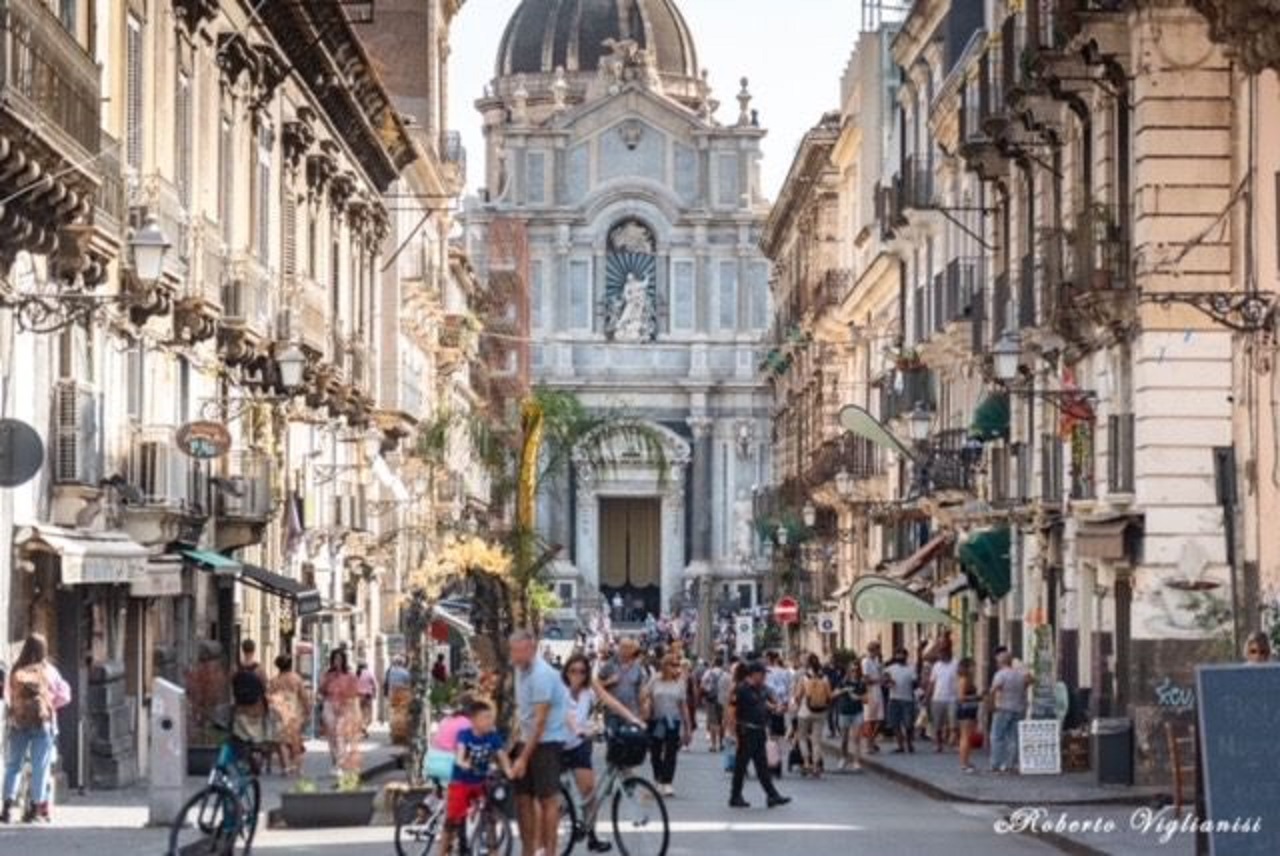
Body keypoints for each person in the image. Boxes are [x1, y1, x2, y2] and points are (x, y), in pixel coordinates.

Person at [562, 653, 639, 853]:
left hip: (579, 744)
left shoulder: (590, 687)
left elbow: (611, 702)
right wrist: (578, 729)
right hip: (558, 744)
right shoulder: (560, 689)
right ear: (566, 672)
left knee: (589, 791)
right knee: (555, 801)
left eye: (582, 671)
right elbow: (567, 715)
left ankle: (592, 836)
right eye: (573, 671)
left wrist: (633, 719)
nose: (577, 675)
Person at [510, 629, 571, 856]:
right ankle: (528, 850)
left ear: (531, 649)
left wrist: (524, 758)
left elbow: (540, 720)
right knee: (523, 798)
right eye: (513, 652)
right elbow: (523, 712)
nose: (514, 657)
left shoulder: (542, 675)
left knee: (547, 800)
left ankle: (550, 852)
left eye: (519, 652)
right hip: (526, 739)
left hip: (547, 742)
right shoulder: (519, 670)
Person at [3, 633, 69, 824]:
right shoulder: (49, 671)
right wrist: (50, 704)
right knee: (41, 766)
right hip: (43, 723)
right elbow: (66, 695)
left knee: (14, 765)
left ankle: (7, 806)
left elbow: (8, 696)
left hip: (18, 722)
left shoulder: (16, 670)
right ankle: (34, 808)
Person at [436, 699, 512, 856]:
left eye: (491, 717)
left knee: (490, 816)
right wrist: (462, 762)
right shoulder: (464, 735)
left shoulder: (493, 737)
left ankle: (494, 851)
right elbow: (460, 753)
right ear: (474, 720)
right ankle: (442, 851)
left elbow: (502, 755)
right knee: (452, 820)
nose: (490, 721)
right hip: (461, 781)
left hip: (481, 781)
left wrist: (508, 770)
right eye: (485, 718)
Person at [727, 661, 791, 809]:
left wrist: (777, 709)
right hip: (745, 731)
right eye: (762, 674)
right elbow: (731, 711)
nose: (764, 677)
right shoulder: (740, 689)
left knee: (762, 766)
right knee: (741, 766)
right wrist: (732, 733)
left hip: (759, 731)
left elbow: (764, 705)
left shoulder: (760, 689)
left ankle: (772, 796)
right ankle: (735, 796)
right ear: (754, 674)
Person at [644, 654, 692, 797]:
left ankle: (667, 782)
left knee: (671, 752)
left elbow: (683, 705)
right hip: (657, 720)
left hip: (673, 721)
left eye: (677, 665)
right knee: (655, 752)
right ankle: (658, 779)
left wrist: (687, 726)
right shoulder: (655, 679)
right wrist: (646, 706)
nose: (676, 668)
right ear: (665, 666)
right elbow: (645, 695)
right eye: (673, 665)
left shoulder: (680, 682)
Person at [319, 648, 361, 770]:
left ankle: (340, 762)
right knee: (331, 735)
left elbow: (354, 694)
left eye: (339, 659)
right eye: (335, 659)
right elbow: (321, 690)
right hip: (329, 705)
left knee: (339, 734)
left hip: (345, 706)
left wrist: (353, 711)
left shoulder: (350, 676)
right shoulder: (328, 675)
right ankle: (336, 760)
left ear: (343, 660)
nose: (337, 661)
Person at [988, 650, 1030, 773]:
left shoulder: (1000, 674)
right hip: (1018, 708)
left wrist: (991, 705)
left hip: (1003, 708)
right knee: (1013, 737)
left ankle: (996, 763)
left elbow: (994, 690)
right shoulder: (1019, 674)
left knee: (997, 736)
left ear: (1000, 662)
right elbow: (1026, 685)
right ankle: (1010, 764)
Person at [268, 654, 310, 775]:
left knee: (282, 741)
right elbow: (303, 696)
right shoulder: (296, 679)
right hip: (294, 712)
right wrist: (307, 711)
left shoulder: (275, 681)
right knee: (295, 741)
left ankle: (286, 766)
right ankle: (298, 768)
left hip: (279, 712)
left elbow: (269, 696)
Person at [594, 638, 649, 729]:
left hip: (632, 711)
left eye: (628, 647)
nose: (625, 650)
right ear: (618, 648)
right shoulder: (610, 664)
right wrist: (609, 681)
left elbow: (641, 689)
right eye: (623, 647)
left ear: (632, 650)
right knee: (613, 739)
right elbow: (596, 684)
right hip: (612, 712)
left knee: (629, 739)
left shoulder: (638, 667)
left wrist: (643, 708)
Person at [792, 654, 831, 777]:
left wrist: (797, 705)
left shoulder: (804, 677)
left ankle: (806, 762)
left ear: (808, 664)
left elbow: (798, 695)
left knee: (802, 738)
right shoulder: (824, 677)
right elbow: (829, 696)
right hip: (820, 711)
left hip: (805, 711)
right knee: (816, 741)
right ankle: (816, 766)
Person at [231, 639, 270, 745]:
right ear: (254, 650)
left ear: (242, 650)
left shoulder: (236, 668)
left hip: (240, 708)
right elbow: (265, 686)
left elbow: (232, 685)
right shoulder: (259, 669)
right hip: (256, 708)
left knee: (239, 737)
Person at [834, 660, 867, 771]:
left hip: (857, 712)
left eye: (857, 670)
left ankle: (856, 761)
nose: (855, 672)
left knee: (856, 738)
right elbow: (833, 694)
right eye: (852, 670)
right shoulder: (843, 681)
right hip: (844, 712)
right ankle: (843, 758)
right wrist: (844, 690)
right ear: (849, 670)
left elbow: (866, 699)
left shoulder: (861, 682)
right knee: (844, 739)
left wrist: (858, 697)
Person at [884, 647, 917, 753]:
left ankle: (909, 743)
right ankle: (900, 745)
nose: (900, 657)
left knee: (908, 724)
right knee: (895, 724)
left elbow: (915, 683)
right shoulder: (890, 668)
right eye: (898, 655)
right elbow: (885, 681)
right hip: (894, 699)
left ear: (906, 656)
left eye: (902, 655)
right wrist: (888, 682)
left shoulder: (911, 668)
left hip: (907, 699)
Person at [926, 647, 959, 752]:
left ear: (948, 653)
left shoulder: (955, 664)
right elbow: (932, 682)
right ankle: (938, 745)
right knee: (937, 724)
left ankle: (955, 742)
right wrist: (928, 695)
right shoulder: (936, 666)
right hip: (938, 697)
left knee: (953, 721)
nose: (940, 657)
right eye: (939, 655)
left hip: (952, 697)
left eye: (942, 654)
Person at [955, 657, 981, 774]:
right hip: (966, 710)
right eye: (972, 666)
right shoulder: (964, 680)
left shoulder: (968, 680)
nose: (974, 668)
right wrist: (977, 697)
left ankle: (966, 761)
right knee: (965, 737)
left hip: (969, 709)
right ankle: (964, 763)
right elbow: (961, 698)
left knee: (967, 737)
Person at [860, 641, 885, 752]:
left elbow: (880, 673)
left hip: (878, 691)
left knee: (879, 719)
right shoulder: (866, 661)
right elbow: (866, 679)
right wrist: (879, 680)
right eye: (878, 649)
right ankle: (868, 744)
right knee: (870, 719)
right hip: (870, 692)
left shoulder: (876, 661)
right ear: (873, 650)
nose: (879, 652)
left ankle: (872, 740)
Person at [385, 655, 413, 744]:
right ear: (402, 663)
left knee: (394, 714)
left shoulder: (391, 671)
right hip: (403, 694)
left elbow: (389, 682)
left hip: (393, 693)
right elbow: (409, 683)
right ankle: (401, 736)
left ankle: (394, 735)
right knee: (402, 715)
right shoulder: (405, 672)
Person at [700, 657, 726, 752]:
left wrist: (705, 693)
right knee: (721, 721)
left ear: (714, 663)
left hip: (711, 699)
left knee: (712, 722)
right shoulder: (725, 674)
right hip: (723, 700)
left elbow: (702, 685)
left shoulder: (708, 673)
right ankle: (721, 743)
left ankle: (713, 745)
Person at [356, 662, 377, 734]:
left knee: (360, 713)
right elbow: (374, 684)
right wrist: (374, 694)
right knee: (368, 714)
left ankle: (362, 727)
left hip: (358, 696)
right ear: (366, 666)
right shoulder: (369, 673)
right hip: (367, 696)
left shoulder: (356, 674)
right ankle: (364, 726)